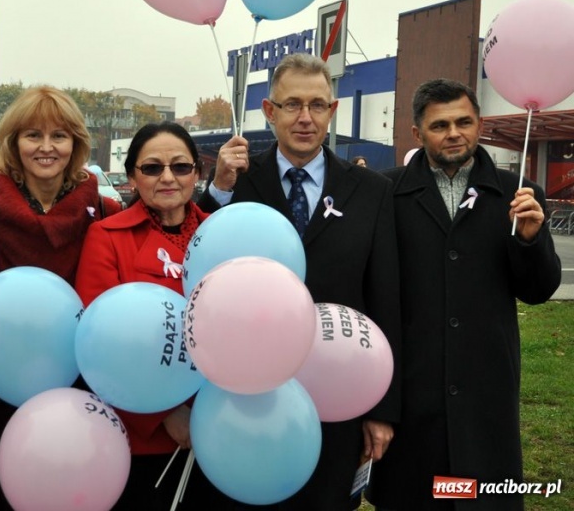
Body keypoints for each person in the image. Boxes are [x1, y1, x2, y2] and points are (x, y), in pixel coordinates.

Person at [197, 53, 401, 510]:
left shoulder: (372, 192)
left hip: (339, 391)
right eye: (292, 105)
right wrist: (219, 191)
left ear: (332, 110)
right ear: (269, 111)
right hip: (248, 391)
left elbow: (385, 298)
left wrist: (382, 408)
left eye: (317, 105)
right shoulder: (238, 183)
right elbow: (202, 260)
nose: (305, 118)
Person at [366, 79, 561, 511]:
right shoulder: (386, 193)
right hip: (413, 392)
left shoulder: (518, 193)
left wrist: (531, 241)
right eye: (440, 125)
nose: (454, 133)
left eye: (464, 122)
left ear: (480, 124)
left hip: (485, 391)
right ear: (417, 134)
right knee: (418, 497)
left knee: (477, 497)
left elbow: (537, 290)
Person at [0, 85, 121, 510]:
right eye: (33, 135)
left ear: (76, 144)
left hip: (85, 391)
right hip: (1, 394)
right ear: (14, 144)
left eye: (59, 136)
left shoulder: (106, 212)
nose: (46, 147)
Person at [75, 121, 235, 510]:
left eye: (180, 167)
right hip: (143, 439)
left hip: (223, 432)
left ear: (197, 173)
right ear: (132, 176)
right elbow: (99, 344)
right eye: (152, 168)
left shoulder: (227, 234)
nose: (168, 177)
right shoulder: (107, 237)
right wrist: (166, 414)